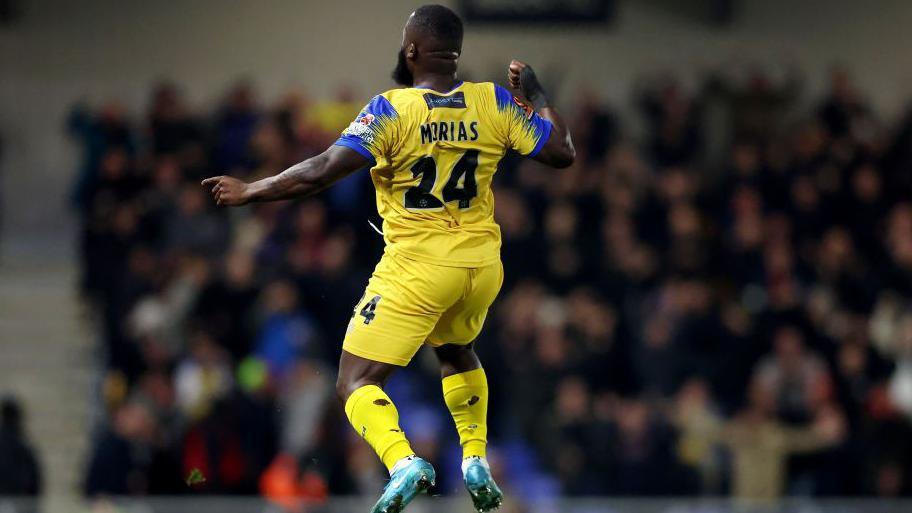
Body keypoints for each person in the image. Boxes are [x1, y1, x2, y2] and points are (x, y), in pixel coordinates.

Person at [202, 5, 574, 512]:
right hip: (481, 267)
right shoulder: (494, 101)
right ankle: (474, 457)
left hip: (419, 268)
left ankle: (403, 462)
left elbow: (322, 170)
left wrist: (252, 189)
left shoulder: (391, 110)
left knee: (354, 381)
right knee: (456, 350)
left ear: (412, 50)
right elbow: (561, 152)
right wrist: (538, 95)